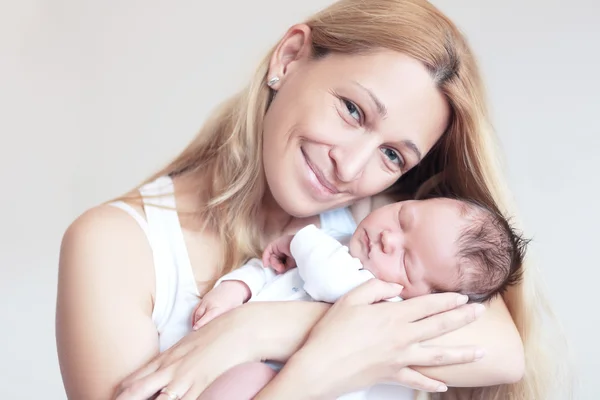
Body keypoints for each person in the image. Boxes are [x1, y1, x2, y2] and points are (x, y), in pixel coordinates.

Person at [55, 1, 555, 400]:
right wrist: (316, 370)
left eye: (392, 155)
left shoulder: (381, 223)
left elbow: (503, 353)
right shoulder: (116, 246)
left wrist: (259, 328)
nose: (352, 167)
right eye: (353, 110)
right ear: (290, 57)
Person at [191, 197, 527, 400]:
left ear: (428, 299)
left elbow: (327, 277)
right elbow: (268, 270)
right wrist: (236, 288)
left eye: (406, 261)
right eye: (402, 217)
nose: (388, 238)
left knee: (246, 379)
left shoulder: (385, 305)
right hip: (242, 361)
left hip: (298, 385)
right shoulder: (337, 240)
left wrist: (298, 240)